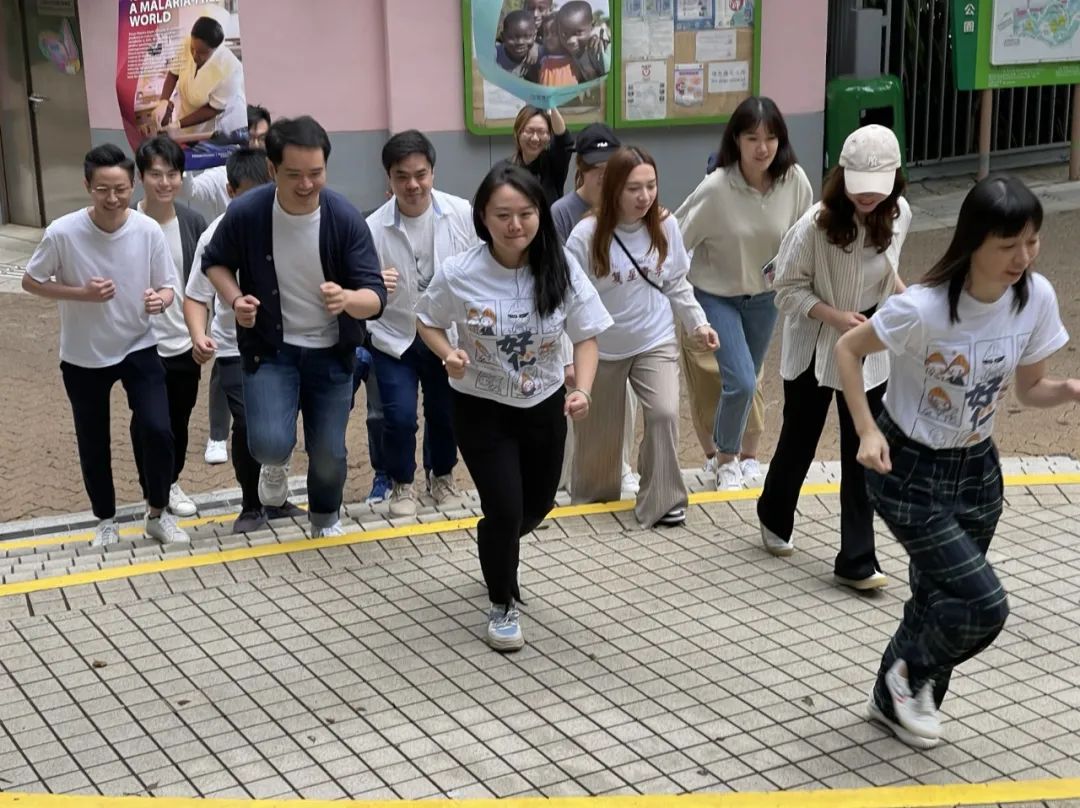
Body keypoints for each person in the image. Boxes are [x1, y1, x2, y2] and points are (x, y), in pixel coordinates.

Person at [836, 175, 1075, 748]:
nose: (1023, 258)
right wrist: (865, 431)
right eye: (1008, 245)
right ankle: (908, 676)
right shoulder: (922, 309)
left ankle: (892, 702)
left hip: (977, 470)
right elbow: (847, 350)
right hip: (909, 469)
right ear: (973, 242)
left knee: (938, 597)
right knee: (983, 604)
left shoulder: (1035, 298)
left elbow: (1030, 390)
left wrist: (1069, 390)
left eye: (1032, 242)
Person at [415, 165, 612, 652]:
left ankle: (497, 543)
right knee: (505, 508)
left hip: (543, 404)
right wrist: (448, 353)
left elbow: (586, 336)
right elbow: (427, 320)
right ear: (483, 217)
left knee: (536, 505)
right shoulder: (460, 272)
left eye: (526, 213)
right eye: (502, 214)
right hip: (480, 407)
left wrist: (584, 391)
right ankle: (501, 602)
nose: (515, 225)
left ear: (540, 214)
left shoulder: (560, 267)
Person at [202, 116, 387, 538]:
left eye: (316, 173)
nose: (306, 184)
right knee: (269, 443)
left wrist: (347, 299)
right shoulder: (248, 213)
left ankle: (325, 519)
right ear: (272, 169)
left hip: (331, 354)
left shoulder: (344, 218)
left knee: (329, 455)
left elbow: (376, 296)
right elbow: (215, 261)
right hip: (271, 351)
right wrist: (236, 299)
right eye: (294, 175)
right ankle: (276, 463)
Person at [756, 124, 910, 591]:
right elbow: (784, 289)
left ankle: (857, 560)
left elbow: (887, 273)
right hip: (815, 342)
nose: (867, 197)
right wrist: (835, 315)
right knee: (800, 439)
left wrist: (909, 303)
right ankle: (773, 512)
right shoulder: (814, 225)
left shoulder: (900, 214)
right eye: (858, 186)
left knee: (864, 444)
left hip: (868, 342)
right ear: (841, 177)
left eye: (877, 188)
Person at [21, 144, 188, 546]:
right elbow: (31, 281)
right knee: (93, 438)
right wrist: (82, 293)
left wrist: (160, 300)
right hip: (84, 353)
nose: (112, 198)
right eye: (102, 189)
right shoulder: (62, 232)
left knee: (158, 429)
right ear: (87, 186)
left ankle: (157, 512)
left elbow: (167, 286)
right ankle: (105, 520)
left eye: (120, 189)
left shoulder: (147, 230)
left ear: (132, 186)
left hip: (138, 345)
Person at [566, 147, 719, 528]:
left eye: (651, 186)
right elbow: (567, 299)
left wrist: (698, 323)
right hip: (601, 346)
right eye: (634, 188)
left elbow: (676, 281)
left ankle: (662, 497)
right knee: (599, 432)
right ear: (614, 188)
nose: (644, 196)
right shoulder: (586, 234)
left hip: (654, 338)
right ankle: (594, 500)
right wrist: (569, 358)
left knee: (664, 413)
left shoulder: (665, 225)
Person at [675, 96, 813, 490]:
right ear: (736, 140)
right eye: (752, 138)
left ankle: (727, 457)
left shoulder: (794, 180)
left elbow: (806, 234)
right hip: (715, 294)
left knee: (746, 379)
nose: (762, 148)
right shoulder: (717, 187)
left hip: (765, 297)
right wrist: (675, 296)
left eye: (771, 138)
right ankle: (726, 459)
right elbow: (676, 238)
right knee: (742, 382)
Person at [183, 147, 305, 534]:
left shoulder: (291, 224)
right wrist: (199, 336)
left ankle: (276, 499)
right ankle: (251, 504)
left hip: (286, 345)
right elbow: (196, 295)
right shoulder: (215, 235)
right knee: (250, 424)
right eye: (248, 194)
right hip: (234, 349)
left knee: (279, 425)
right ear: (231, 191)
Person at [366, 130, 478, 517]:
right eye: (402, 176)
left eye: (420, 174)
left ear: (433, 172)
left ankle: (442, 476)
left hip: (446, 335)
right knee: (398, 416)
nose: (412, 185)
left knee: (444, 412)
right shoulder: (374, 227)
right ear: (389, 178)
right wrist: (373, 282)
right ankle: (403, 484)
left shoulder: (460, 213)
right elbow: (358, 283)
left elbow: (479, 263)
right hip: (394, 337)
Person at [551, 123, 639, 495]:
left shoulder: (631, 206)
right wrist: (564, 354)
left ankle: (622, 467)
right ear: (581, 168)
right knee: (577, 400)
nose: (603, 175)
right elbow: (557, 285)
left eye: (610, 167)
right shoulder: (561, 213)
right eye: (595, 168)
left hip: (620, 327)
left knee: (625, 401)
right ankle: (571, 475)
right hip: (575, 329)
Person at [132, 135, 208, 519]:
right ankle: (154, 490)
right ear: (141, 177)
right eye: (156, 174)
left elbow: (203, 285)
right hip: (140, 344)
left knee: (178, 419)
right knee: (151, 422)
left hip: (183, 342)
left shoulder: (193, 223)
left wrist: (201, 334)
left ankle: (169, 480)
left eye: (172, 174)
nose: (165, 182)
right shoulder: (127, 224)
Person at [157, 16, 245, 137]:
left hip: (210, 127)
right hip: (186, 116)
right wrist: (163, 101)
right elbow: (173, 73)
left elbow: (214, 108)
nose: (194, 56)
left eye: (202, 53)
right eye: (192, 49)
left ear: (215, 49)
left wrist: (179, 124)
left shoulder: (231, 69)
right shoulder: (189, 43)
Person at [181, 104, 272, 222]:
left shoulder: (278, 172)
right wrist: (187, 157)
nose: (255, 145)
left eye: (262, 138)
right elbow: (191, 192)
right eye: (249, 137)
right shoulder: (221, 174)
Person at [504, 105, 572, 207]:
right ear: (517, 133)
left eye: (541, 132)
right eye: (529, 131)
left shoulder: (553, 163)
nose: (535, 138)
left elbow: (563, 139)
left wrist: (551, 104)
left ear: (549, 135)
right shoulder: (505, 169)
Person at [496, 10, 539, 77]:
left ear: (534, 36)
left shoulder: (540, 58)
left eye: (527, 37)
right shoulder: (493, 54)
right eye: (512, 37)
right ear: (503, 37)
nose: (520, 42)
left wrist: (535, 47)